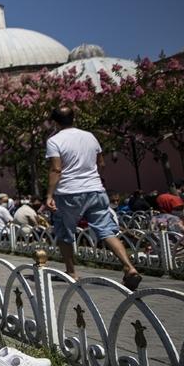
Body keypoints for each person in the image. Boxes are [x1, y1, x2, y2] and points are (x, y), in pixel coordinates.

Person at [45, 106, 142, 288]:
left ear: (55, 122)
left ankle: (72, 272)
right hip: (95, 190)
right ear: (73, 118)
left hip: (69, 193)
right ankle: (129, 267)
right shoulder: (90, 136)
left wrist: (49, 194)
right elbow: (101, 163)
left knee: (64, 233)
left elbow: (56, 169)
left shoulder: (54, 141)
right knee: (105, 230)